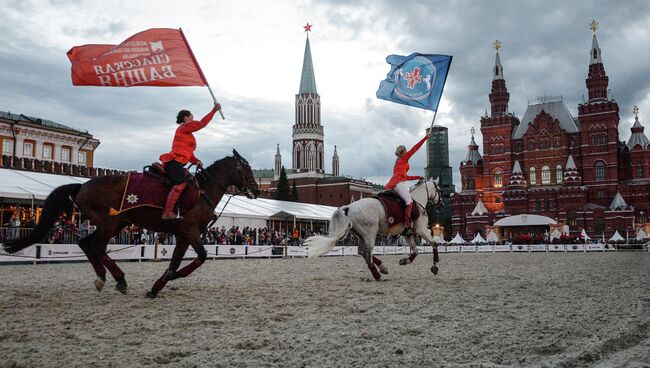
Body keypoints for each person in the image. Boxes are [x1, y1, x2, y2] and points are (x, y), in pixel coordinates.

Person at [159, 102, 221, 219]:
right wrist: (214, 110)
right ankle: (167, 212)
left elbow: (188, 154)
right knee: (181, 183)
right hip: (174, 162)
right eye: (192, 118)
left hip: (179, 162)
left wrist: (196, 161)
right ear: (186, 118)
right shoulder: (183, 128)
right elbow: (201, 124)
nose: (193, 120)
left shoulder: (187, 134)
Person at [385, 133, 430, 229]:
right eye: (405, 150)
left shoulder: (398, 162)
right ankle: (406, 222)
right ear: (403, 152)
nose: (407, 151)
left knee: (402, 201)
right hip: (398, 183)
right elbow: (415, 149)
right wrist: (425, 138)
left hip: (393, 183)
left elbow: (406, 177)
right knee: (409, 201)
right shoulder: (404, 158)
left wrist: (418, 177)